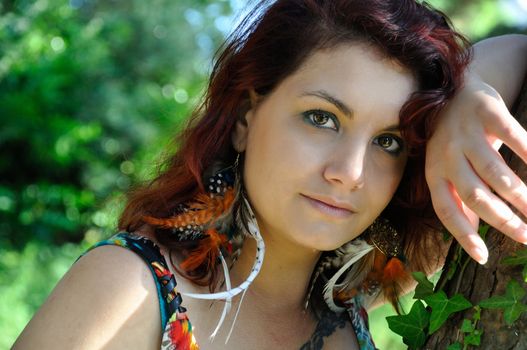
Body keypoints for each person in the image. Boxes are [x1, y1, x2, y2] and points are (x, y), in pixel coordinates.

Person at [13, 0, 527, 349]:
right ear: (244, 118)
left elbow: (520, 49)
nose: (349, 173)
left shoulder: (352, 305)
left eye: (387, 142)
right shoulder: (133, 288)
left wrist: (469, 91)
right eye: (321, 118)